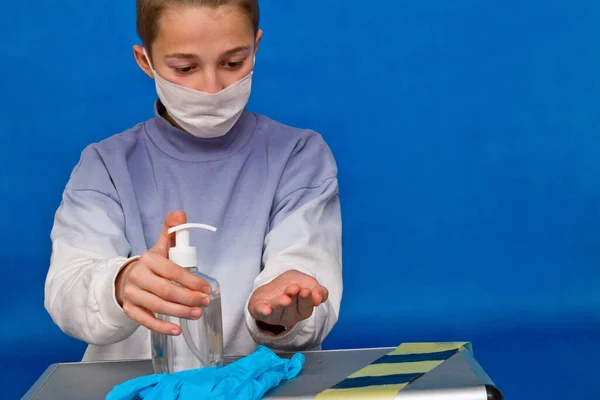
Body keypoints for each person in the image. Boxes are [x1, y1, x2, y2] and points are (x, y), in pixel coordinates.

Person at [44, 0, 342, 362]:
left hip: (255, 382)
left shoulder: (298, 155)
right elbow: (68, 289)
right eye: (185, 68)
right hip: (135, 383)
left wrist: (281, 311)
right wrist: (120, 283)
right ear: (145, 61)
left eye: (233, 63)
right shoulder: (105, 166)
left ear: (256, 46)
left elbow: (307, 273)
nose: (211, 87)